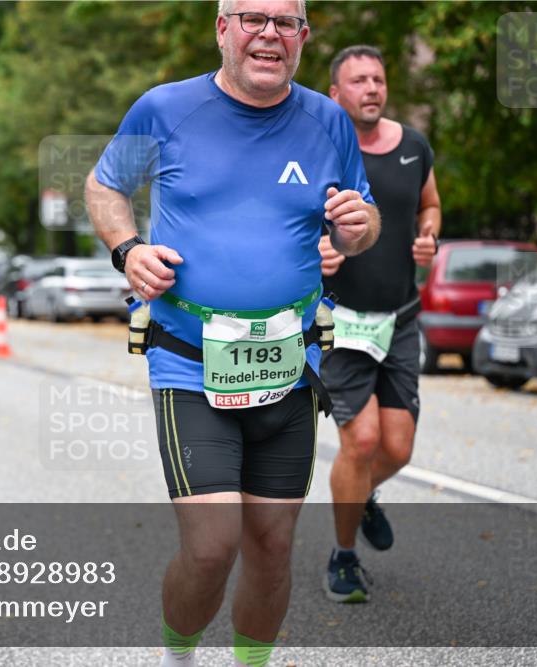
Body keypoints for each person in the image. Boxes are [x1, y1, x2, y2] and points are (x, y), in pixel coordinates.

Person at [85, 2, 380, 665]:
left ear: (303, 38)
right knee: (212, 546)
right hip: (190, 363)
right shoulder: (164, 109)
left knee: (273, 550)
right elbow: (104, 187)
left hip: (290, 366)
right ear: (222, 30)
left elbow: (362, 220)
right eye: (252, 18)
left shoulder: (328, 121)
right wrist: (128, 248)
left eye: (285, 23)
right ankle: (178, 654)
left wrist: (360, 227)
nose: (269, 34)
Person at [319, 45, 441, 603]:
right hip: (341, 319)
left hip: (400, 317)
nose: (372, 87)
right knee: (361, 439)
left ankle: (359, 493)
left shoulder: (414, 146)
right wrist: (316, 248)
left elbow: (429, 205)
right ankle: (343, 557)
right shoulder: (320, 149)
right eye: (358, 80)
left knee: (398, 448)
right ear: (335, 93)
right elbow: (289, 218)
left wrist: (429, 234)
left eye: (378, 78)